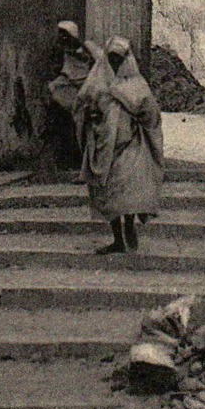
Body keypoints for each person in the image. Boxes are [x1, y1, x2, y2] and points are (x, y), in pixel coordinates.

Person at [76, 35, 164, 254]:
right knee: (109, 193)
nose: (115, 63)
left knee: (127, 189)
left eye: (119, 58)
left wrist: (135, 114)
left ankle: (129, 225)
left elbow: (151, 115)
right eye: (111, 58)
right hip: (103, 146)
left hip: (129, 144)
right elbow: (81, 104)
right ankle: (117, 238)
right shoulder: (97, 81)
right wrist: (91, 115)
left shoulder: (135, 84)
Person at [46, 21, 92, 166]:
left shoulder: (83, 50)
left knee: (82, 126)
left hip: (82, 91)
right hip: (67, 91)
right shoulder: (61, 51)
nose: (61, 37)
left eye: (65, 34)